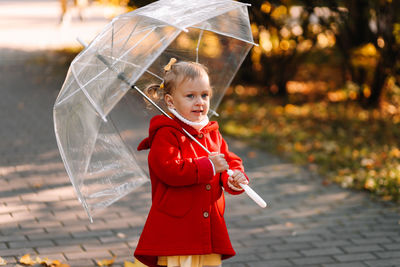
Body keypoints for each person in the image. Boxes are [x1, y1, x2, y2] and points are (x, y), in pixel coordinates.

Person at [134, 58, 249, 267]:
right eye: (190, 96)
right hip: (179, 229)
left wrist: (233, 178)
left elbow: (227, 161)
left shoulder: (210, 132)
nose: (200, 102)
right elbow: (170, 170)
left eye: (205, 95)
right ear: (170, 101)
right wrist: (210, 166)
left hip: (208, 225)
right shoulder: (166, 134)